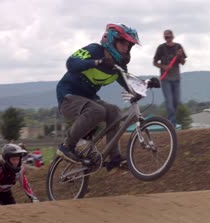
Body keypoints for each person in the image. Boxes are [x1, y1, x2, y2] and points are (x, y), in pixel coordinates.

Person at [56, 23, 159, 171]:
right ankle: (67, 146)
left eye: (129, 45)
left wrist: (147, 83)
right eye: (122, 43)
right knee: (97, 111)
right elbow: (70, 63)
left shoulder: (118, 66)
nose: (126, 48)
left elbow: (129, 84)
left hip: (89, 98)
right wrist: (97, 62)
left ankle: (114, 157)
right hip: (68, 95)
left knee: (114, 111)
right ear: (112, 40)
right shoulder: (95, 50)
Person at [153, 29, 187, 125]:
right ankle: (172, 124)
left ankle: (170, 121)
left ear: (172, 37)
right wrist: (164, 66)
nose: (167, 38)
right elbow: (154, 62)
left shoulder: (178, 47)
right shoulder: (161, 48)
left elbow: (183, 62)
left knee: (176, 101)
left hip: (176, 78)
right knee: (169, 102)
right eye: (165, 37)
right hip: (165, 79)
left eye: (168, 36)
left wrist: (180, 56)